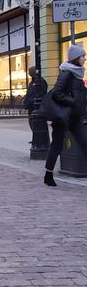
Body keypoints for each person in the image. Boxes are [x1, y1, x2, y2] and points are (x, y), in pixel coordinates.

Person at [44, 44, 87, 187]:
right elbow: (57, 93)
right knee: (57, 146)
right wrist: (73, 101)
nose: (85, 59)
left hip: (75, 116)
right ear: (76, 58)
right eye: (83, 56)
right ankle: (48, 174)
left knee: (85, 142)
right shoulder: (67, 73)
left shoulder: (78, 73)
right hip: (63, 117)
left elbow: (80, 95)